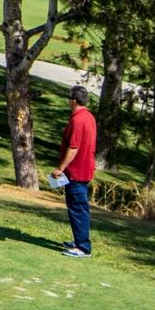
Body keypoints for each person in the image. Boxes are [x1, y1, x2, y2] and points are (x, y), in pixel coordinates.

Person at [53, 84, 98, 257]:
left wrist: (60, 168)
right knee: (77, 207)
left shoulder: (77, 120)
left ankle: (83, 247)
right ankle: (79, 240)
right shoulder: (89, 117)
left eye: (69, 98)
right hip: (84, 169)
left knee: (78, 208)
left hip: (77, 171)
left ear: (73, 100)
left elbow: (73, 148)